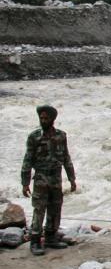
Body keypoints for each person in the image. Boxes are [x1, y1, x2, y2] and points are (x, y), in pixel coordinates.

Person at [21, 105, 76, 255]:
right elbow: (27, 160)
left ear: (53, 119)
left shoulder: (61, 136)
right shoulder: (34, 137)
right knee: (39, 209)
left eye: (46, 118)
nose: (43, 120)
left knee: (56, 207)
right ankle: (35, 241)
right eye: (41, 118)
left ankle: (52, 237)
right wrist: (25, 183)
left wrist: (72, 179)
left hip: (56, 177)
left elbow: (66, 158)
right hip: (41, 177)